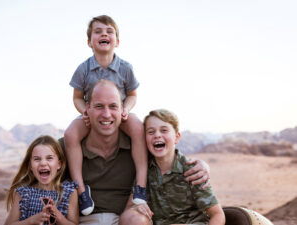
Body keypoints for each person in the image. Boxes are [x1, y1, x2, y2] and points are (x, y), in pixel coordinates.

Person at [60, 80, 210, 225]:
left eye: (113, 106)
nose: (106, 114)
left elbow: (168, 156)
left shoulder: (138, 144)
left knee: (138, 219)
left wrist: (202, 165)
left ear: (122, 109)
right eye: (99, 106)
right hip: (84, 221)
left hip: (125, 217)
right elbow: (39, 163)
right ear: (88, 108)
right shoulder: (68, 146)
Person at [64, 15, 148, 215]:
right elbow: (76, 97)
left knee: (138, 127)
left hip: (119, 113)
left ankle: (141, 185)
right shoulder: (83, 69)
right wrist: (84, 110)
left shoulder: (125, 68)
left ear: (117, 41)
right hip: (92, 114)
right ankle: (82, 190)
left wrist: (126, 108)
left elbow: (132, 95)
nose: (104, 34)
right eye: (98, 31)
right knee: (70, 135)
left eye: (109, 31)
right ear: (89, 41)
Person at [129, 109, 225, 225]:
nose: (157, 135)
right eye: (151, 132)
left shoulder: (193, 170)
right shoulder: (144, 171)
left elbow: (217, 214)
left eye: (164, 130)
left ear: (177, 137)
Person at [4, 135, 79, 225]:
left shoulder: (69, 192)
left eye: (49, 158)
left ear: (59, 164)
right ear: (30, 166)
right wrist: (30, 221)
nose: (43, 163)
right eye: (37, 159)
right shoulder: (23, 193)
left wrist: (57, 215)